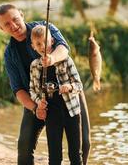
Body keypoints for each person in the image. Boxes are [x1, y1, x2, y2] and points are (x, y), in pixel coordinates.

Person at [0, 4, 90, 165]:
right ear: (1, 28)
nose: (14, 25)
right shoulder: (9, 53)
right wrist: (35, 107)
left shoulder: (46, 27)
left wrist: (52, 58)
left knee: (84, 144)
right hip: (38, 100)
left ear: (22, 15)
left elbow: (63, 48)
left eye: (15, 19)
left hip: (68, 93)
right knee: (25, 148)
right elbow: (18, 89)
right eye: (7, 24)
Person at [30, 25, 82, 164]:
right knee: (54, 156)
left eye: (45, 42)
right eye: (38, 44)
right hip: (52, 114)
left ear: (52, 41)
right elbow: (33, 91)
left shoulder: (65, 59)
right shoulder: (34, 66)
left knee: (75, 154)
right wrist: (38, 101)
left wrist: (69, 87)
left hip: (72, 112)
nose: (43, 46)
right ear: (33, 46)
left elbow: (79, 85)